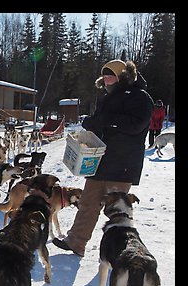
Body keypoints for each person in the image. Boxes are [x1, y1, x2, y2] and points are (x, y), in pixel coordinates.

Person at [52, 59, 154, 257]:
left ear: (122, 76)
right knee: (88, 202)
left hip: (123, 162)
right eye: (104, 76)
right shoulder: (107, 98)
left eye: (111, 75)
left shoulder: (140, 97)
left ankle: (118, 248)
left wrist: (107, 121)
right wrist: (92, 124)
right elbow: (101, 124)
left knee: (116, 208)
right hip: (100, 160)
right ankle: (76, 241)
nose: (107, 80)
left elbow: (137, 125)